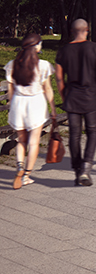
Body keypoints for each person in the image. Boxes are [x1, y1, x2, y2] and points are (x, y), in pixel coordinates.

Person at [55, 19, 96, 186]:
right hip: (91, 96)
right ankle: (86, 168)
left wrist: (63, 95)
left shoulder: (63, 51)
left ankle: (77, 168)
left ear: (72, 31)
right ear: (87, 30)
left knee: (74, 134)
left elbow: (59, 78)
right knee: (92, 132)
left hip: (72, 96)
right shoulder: (95, 48)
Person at [4, 33, 56, 189]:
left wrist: (12, 107)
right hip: (36, 105)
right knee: (33, 143)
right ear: (36, 46)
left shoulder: (12, 65)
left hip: (18, 104)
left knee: (21, 140)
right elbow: (47, 88)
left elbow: (10, 91)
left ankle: (19, 166)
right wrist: (52, 107)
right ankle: (26, 175)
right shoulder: (43, 65)